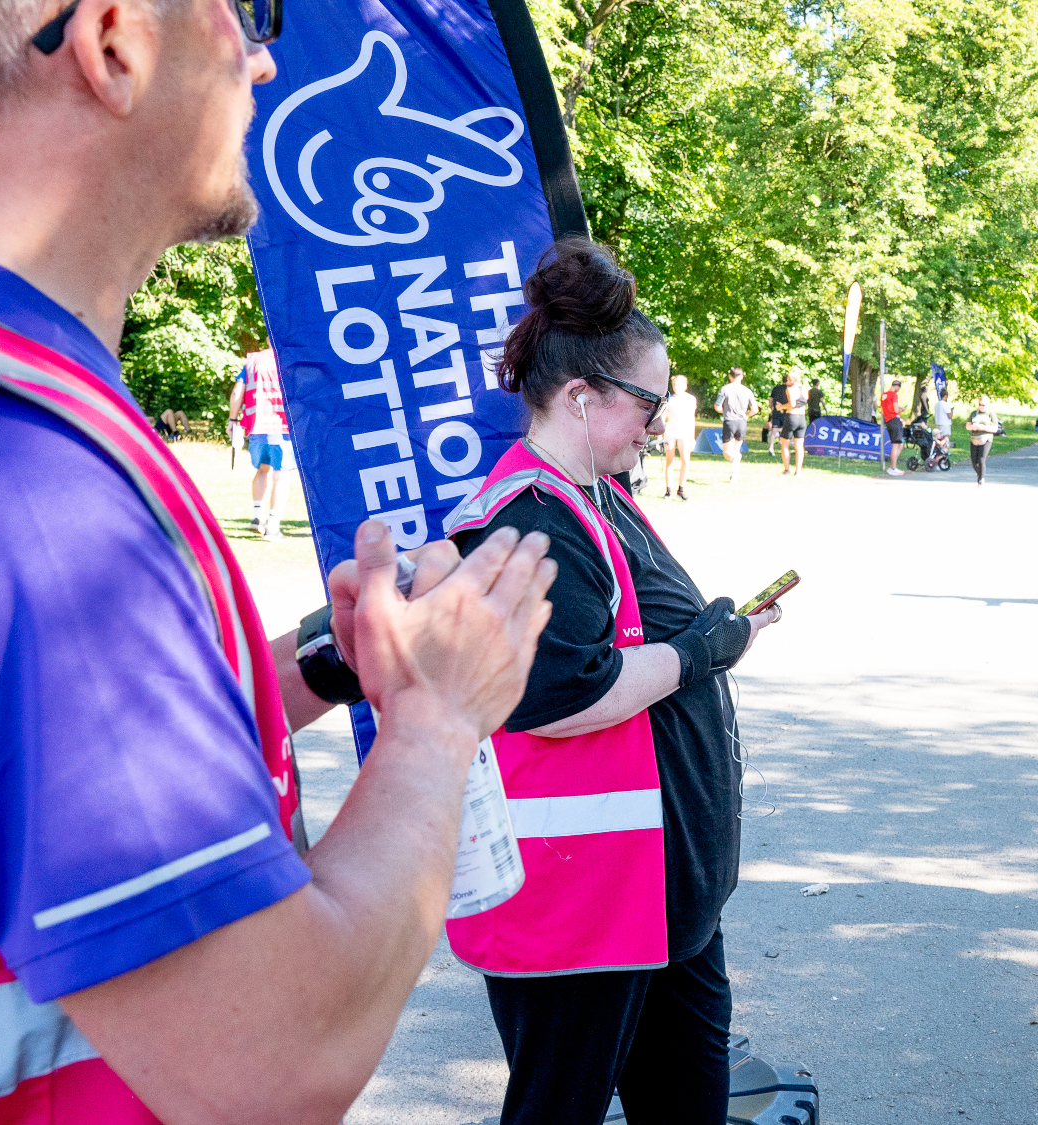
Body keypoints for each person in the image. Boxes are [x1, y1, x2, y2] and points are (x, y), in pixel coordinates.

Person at [0, 4, 560, 1121]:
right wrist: (437, 721)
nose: (264, 55)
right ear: (112, 43)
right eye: (242, 11)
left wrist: (337, 665)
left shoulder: (29, 418)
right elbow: (274, 1064)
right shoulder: (32, 494)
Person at [446, 238, 784, 1125]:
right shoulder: (530, 517)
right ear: (579, 395)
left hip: (654, 898)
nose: (659, 422)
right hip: (586, 906)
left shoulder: (591, 490)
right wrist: (705, 650)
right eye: (648, 401)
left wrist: (714, 632)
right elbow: (562, 694)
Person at [228, 341, 291, 539]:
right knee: (281, 474)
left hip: (257, 428)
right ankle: (273, 526)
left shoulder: (253, 361)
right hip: (282, 427)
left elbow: (237, 392)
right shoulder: (289, 360)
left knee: (262, 470)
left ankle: (257, 518)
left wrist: (232, 420)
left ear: (266, 340)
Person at [713, 367, 756, 484]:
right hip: (742, 422)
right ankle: (734, 476)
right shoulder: (747, 391)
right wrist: (746, 414)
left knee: (727, 452)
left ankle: (734, 462)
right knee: (737, 450)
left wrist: (725, 411)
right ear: (742, 377)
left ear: (730, 377)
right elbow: (755, 409)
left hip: (729, 421)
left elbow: (717, 406)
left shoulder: (725, 389)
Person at [659, 373, 697, 500]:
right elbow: (663, 416)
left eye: (679, 384)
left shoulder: (691, 399)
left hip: (685, 433)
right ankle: (668, 490)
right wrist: (660, 435)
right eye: (675, 384)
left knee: (685, 460)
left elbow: (692, 419)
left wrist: (692, 438)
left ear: (685, 386)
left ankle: (681, 489)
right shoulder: (670, 399)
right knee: (670, 461)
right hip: (670, 432)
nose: (676, 387)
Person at [775, 370, 808, 476]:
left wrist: (780, 407)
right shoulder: (805, 389)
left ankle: (786, 469)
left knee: (785, 444)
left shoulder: (790, 389)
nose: (787, 381)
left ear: (793, 379)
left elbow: (792, 404)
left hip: (791, 417)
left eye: (789, 379)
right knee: (799, 446)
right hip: (802, 418)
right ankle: (798, 470)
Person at [966, 395, 1001, 485]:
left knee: (981, 459)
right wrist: (973, 427)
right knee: (974, 461)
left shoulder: (991, 414)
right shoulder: (974, 413)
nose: (981, 406)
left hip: (986, 438)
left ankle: (981, 479)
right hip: (974, 438)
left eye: (983, 405)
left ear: (987, 405)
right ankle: (980, 473)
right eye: (980, 404)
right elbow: (967, 426)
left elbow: (995, 429)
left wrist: (983, 427)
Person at [879, 377, 906, 476]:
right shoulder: (893, 395)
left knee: (900, 444)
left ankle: (893, 466)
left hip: (888, 421)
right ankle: (892, 467)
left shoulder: (883, 395)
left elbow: (882, 411)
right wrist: (901, 409)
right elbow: (895, 409)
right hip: (894, 420)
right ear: (897, 386)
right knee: (896, 445)